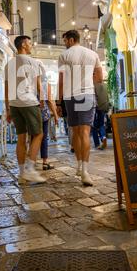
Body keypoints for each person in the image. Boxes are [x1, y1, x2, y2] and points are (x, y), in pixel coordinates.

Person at [57, 30, 103, 185]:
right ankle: (85, 171)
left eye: (65, 41)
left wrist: (59, 102)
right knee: (85, 132)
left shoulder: (64, 56)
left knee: (75, 132)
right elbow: (100, 77)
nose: (64, 44)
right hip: (87, 94)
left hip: (70, 96)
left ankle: (78, 165)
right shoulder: (92, 54)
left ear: (70, 40)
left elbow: (61, 81)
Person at [4, 36, 46, 184]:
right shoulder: (33, 62)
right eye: (29, 43)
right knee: (39, 134)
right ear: (23, 45)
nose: (31, 45)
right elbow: (39, 86)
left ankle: (22, 175)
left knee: (21, 138)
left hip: (15, 104)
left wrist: (7, 109)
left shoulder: (8, 64)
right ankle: (30, 169)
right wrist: (42, 101)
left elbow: (7, 88)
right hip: (29, 102)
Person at [37, 61, 59, 170]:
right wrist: (55, 115)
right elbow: (49, 100)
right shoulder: (46, 84)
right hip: (43, 113)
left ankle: (31, 162)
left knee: (33, 137)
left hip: (32, 112)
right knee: (44, 137)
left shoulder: (30, 83)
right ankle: (45, 162)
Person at [92, 82, 110, 150]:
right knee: (101, 124)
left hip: (95, 108)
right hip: (103, 107)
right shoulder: (105, 85)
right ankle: (103, 137)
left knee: (94, 127)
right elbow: (107, 98)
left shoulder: (93, 85)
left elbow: (93, 98)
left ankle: (97, 144)